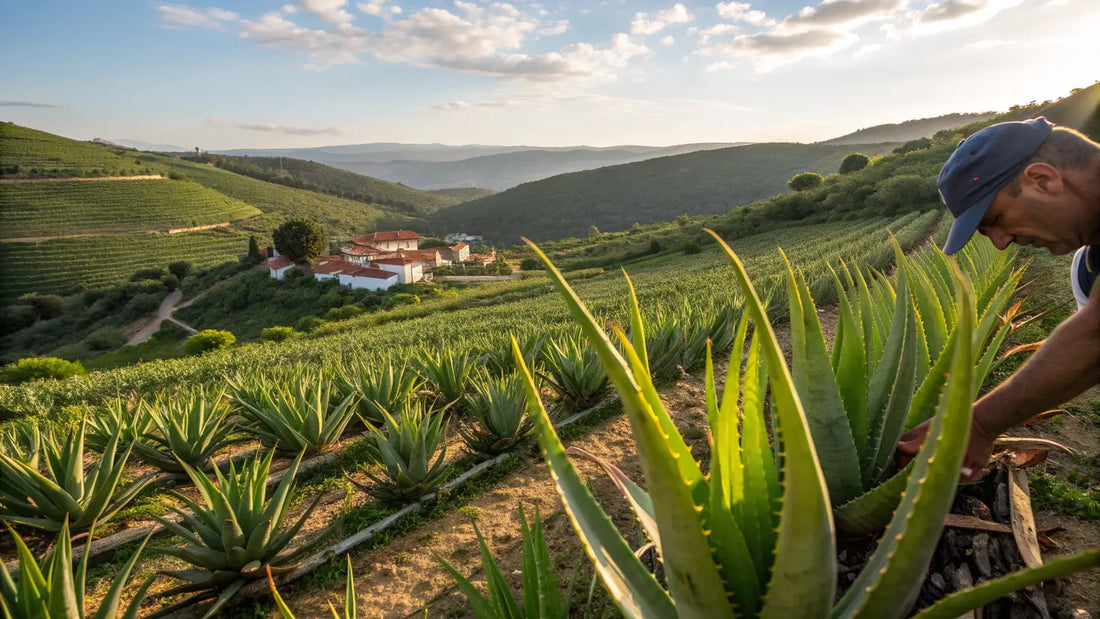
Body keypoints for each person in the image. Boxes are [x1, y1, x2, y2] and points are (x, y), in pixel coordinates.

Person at [896, 117, 1100, 480]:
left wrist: (979, 426)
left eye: (998, 219)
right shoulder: (1087, 269)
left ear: (1042, 180)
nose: (1002, 243)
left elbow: (1094, 337)